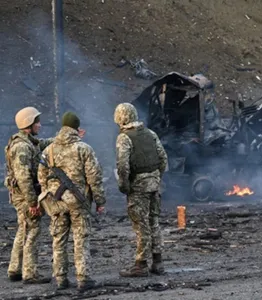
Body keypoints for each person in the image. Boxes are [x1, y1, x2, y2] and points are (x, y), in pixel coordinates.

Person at [37, 112, 106, 291]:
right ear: (76, 128)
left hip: (56, 202)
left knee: (59, 239)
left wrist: (49, 194)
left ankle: (60, 278)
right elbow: (94, 177)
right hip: (78, 202)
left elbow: (41, 177)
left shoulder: (48, 150)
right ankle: (83, 278)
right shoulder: (83, 148)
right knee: (81, 238)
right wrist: (99, 201)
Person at [114, 103, 168, 277]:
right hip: (154, 184)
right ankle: (158, 262)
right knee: (154, 222)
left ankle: (141, 264)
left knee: (141, 225)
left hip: (138, 187)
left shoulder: (124, 138)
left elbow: (123, 166)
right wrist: (156, 178)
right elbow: (163, 159)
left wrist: (124, 186)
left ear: (120, 118)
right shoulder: (151, 134)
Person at [4, 107, 53, 284]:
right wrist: (33, 202)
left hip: (24, 195)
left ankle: (15, 269)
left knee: (23, 229)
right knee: (33, 230)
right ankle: (30, 273)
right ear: (28, 125)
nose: (39, 125)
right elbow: (23, 177)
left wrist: (67, 137)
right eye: (36, 122)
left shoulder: (28, 142)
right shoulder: (22, 147)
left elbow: (43, 143)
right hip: (25, 196)